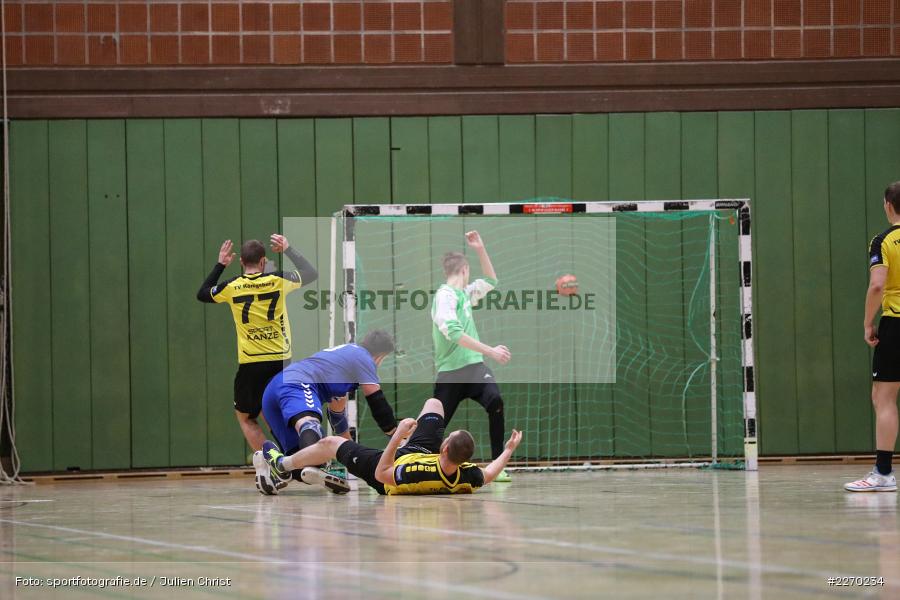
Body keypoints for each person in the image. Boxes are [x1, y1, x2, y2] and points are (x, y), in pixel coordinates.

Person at [197, 235, 318, 453]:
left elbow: (203, 293)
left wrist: (220, 264)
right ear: (263, 262)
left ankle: (274, 465)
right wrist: (289, 249)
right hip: (282, 360)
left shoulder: (232, 286)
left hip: (251, 363)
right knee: (281, 412)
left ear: (241, 262)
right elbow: (311, 273)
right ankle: (305, 457)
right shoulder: (280, 280)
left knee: (247, 418)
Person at [262, 397, 522, 496]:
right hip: (421, 454)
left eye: (447, 436)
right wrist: (508, 449)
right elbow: (489, 475)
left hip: (387, 468)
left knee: (331, 442)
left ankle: (282, 465)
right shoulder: (467, 474)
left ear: (444, 448)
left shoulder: (415, 473)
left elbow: (381, 474)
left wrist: (398, 435)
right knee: (434, 404)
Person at [254, 329, 398, 495]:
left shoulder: (342, 362)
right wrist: (395, 433)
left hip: (272, 392)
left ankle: (270, 470)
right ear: (381, 356)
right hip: (297, 382)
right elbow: (376, 401)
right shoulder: (364, 357)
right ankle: (315, 466)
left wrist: (356, 460)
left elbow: (340, 425)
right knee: (310, 429)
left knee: (299, 465)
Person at [430, 231, 513, 482]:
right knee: (433, 424)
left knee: (495, 401)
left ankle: (497, 466)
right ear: (465, 269)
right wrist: (490, 351)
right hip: (451, 372)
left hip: (475, 368)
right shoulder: (444, 296)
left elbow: (491, 280)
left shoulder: (465, 294)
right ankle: (404, 462)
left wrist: (480, 248)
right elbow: (454, 332)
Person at [845, 181, 900, 492]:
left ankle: (882, 473)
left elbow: (877, 286)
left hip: (896, 323)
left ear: (888, 206)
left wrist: (868, 323)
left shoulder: (883, 241)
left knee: (884, 398)